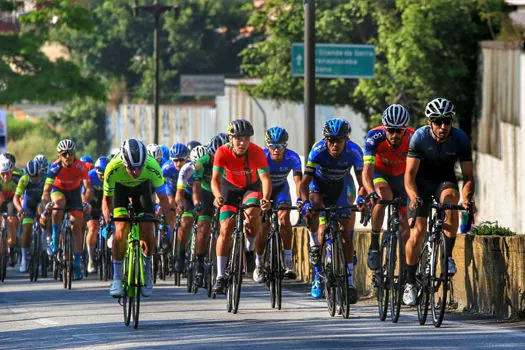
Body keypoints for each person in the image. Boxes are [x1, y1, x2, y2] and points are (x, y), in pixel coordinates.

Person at [403, 97, 475, 306]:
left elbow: (469, 176)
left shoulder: (460, 139)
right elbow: (408, 176)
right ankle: (409, 283)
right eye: (437, 121)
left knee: (452, 201)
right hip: (420, 184)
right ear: (429, 123)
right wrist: (414, 197)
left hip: (444, 181)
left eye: (447, 121)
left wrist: (468, 199)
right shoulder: (419, 138)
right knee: (417, 232)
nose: (443, 126)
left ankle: (447, 256)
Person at [299, 118, 364, 303]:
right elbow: (304, 183)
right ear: (325, 140)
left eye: (339, 141)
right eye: (331, 140)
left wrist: (361, 198)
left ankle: (349, 283)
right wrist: (305, 203)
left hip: (340, 188)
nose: (334, 145)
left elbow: (362, 183)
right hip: (318, 186)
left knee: (345, 234)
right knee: (314, 208)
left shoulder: (354, 151)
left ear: (346, 141)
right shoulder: (318, 150)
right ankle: (316, 261)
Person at [102, 139, 171, 297]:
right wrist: (108, 223)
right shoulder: (112, 167)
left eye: (139, 167)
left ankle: (147, 273)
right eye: (132, 168)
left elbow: (163, 198)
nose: (136, 172)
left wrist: (165, 222)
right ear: (124, 162)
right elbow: (107, 200)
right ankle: (117, 278)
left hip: (143, 190)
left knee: (147, 228)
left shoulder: (152, 166)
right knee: (121, 229)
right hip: (121, 191)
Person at [211, 119, 272, 294]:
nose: (242, 143)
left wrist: (266, 198)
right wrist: (217, 196)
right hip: (228, 188)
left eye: (246, 138)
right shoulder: (222, 152)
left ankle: (249, 249)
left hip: (250, 187)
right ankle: (221, 276)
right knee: (225, 229)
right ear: (231, 138)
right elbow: (215, 179)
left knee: (253, 214)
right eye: (238, 139)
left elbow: (265, 179)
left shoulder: (257, 152)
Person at [363, 104, 414, 271]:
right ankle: (374, 245)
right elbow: (366, 172)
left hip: (402, 177)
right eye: (390, 130)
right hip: (381, 174)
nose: (394, 135)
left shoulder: (414, 138)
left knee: (406, 226)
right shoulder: (374, 136)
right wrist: (371, 193)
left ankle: (408, 271)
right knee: (383, 196)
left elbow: (418, 171)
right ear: (384, 128)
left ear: (405, 130)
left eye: (398, 131)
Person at [41, 139, 93, 280]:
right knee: (59, 203)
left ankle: (76, 264)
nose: (68, 156)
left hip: (75, 193)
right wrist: (47, 204)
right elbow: (46, 191)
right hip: (58, 191)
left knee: (77, 223)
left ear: (74, 153)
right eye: (64, 154)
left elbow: (88, 188)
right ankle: (55, 237)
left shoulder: (80, 166)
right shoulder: (54, 168)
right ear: (59, 156)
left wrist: (86, 202)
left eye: (70, 153)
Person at [262, 126, 302, 279]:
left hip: (281, 190)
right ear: (267, 146)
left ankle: (287, 259)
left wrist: (300, 200)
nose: (276, 150)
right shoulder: (261, 156)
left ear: (286, 146)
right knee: (263, 226)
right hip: (262, 190)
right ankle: (259, 263)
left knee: (284, 218)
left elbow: (298, 181)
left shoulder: (292, 157)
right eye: (272, 146)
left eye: (280, 146)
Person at [192, 135, 228, 283]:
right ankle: (199, 263)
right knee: (203, 228)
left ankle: (224, 263)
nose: (216, 159)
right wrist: (196, 202)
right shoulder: (202, 162)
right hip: (206, 193)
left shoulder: (230, 160)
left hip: (224, 192)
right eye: (213, 156)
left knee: (225, 228)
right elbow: (196, 184)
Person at [175, 145, 207, 286]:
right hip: (188, 197)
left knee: (206, 226)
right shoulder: (186, 169)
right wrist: (180, 205)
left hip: (205, 196)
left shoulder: (210, 167)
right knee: (186, 222)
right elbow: (179, 195)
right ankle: (181, 253)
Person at [162, 143, 191, 273]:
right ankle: (172, 229)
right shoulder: (167, 168)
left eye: (181, 160)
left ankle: (183, 240)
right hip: (171, 190)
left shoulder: (191, 167)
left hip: (187, 192)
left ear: (187, 158)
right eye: (175, 160)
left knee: (186, 218)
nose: (178, 164)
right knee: (169, 204)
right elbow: (160, 187)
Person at [13, 160, 45, 272]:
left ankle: (45, 248)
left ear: (40, 172)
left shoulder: (45, 178)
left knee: (45, 220)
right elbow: (16, 198)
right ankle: (25, 259)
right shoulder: (24, 179)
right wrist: (20, 209)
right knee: (26, 230)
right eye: (31, 176)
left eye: (36, 175)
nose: (34, 178)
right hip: (28, 205)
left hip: (42, 203)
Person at [84, 156, 108, 273]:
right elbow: (84, 195)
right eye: (100, 175)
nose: (102, 177)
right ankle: (91, 259)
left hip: (107, 202)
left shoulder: (112, 175)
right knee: (93, 228)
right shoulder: (90, 175)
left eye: (104, 175)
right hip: (93, 203)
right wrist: (86, 205)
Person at [0, 155, 22, 267]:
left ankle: (11, 246)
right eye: (2, 174)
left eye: (7, 173)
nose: (5, 176)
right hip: (1, 199)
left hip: (12, 200)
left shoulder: (17, 178)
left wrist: (20, 210)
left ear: (11, 171)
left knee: (12, 219)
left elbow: (21, 196)